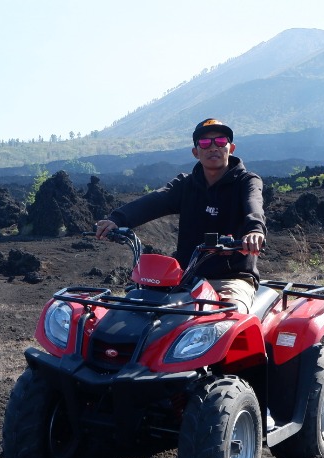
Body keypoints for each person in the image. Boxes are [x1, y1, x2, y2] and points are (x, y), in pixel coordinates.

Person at [94, 118, 266, 313]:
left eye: (220, 141)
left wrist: (255, 230)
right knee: (143, 316)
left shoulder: (246, 181)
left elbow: (254, 204)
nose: (213, 147)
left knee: (228, 318)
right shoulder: (186, 185)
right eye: (204, 142)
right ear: (195, 152)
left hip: (231, 280)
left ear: (231, 148)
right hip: (185, 279)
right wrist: (117, 219)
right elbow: (153, 201)